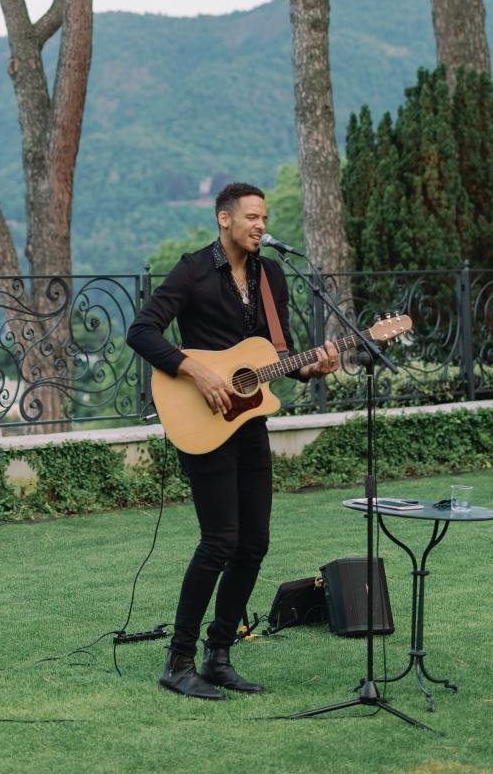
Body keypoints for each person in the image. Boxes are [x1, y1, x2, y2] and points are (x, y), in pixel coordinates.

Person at [126, 180, 339, 700]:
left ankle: (218, 655)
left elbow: (277, 356)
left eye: (264, 218)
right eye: (251, 218)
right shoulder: (193, 269)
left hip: (251, 422)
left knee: (254, 543)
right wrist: (197, 371)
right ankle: (178, 660)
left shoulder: (270, 275)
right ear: (225, 219)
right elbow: (142, 330)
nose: (261, 226)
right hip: (203, 419)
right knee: (219, 540)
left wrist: (315, 366)